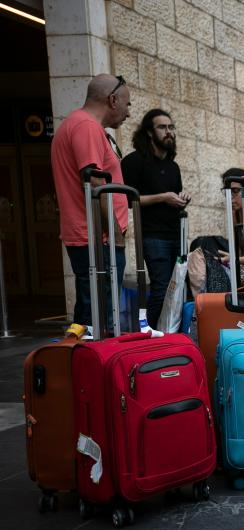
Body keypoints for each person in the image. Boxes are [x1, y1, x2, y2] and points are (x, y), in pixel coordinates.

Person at [51, 74, 132, 338]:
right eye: (127, 104)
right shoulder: (86, 126)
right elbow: (96, 182)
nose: (128, 113)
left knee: (91, 316)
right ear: (112, 99)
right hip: (99, 240)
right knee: (100, 321)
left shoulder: (78, 125)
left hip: (95, 237)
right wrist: (116, 234)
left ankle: (85, 369)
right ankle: (95, 375)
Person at [121, 108, 190, 327]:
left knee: (177, 287)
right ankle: (149, 336)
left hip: (175, 234)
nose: (168, 132)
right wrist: (162, 198)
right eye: (162, 127)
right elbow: (126, 199)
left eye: (171, 127)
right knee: (160, 289)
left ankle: (171, 334)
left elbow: (173, 197)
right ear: (149, 133)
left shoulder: (173, 166)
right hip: (153, 235)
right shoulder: (135, 161)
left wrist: (181, 198)